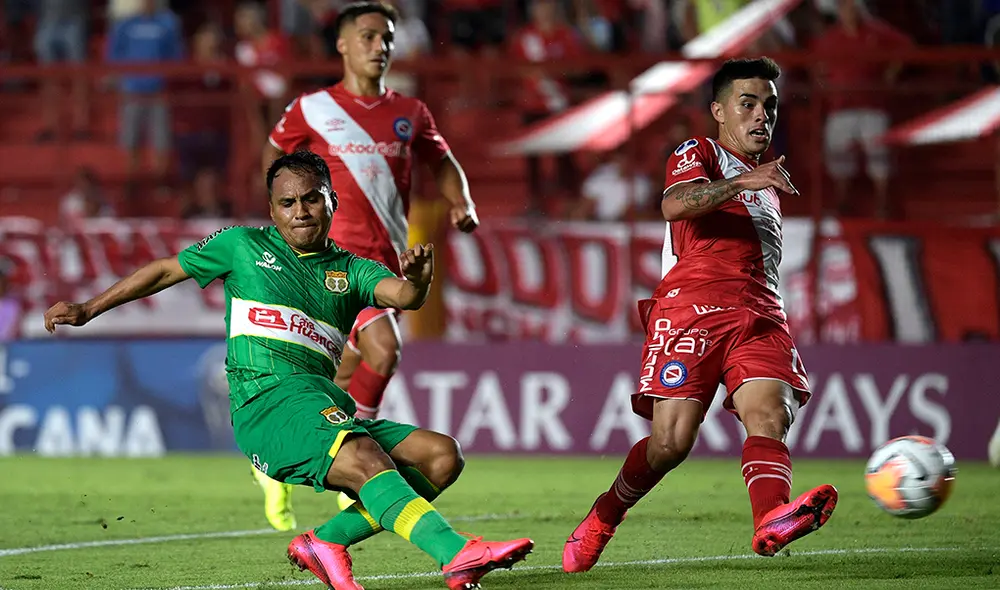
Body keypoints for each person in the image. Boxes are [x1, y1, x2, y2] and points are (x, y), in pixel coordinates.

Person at [42, 151, 533, 590]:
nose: (300, 211)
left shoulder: (353, 270)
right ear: (272, 209)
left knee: (442, 457)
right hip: (266, 404)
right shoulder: (241, 246)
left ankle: (324, 542)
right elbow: (166, 270)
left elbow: (404, 296)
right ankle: (455, 554)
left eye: (312, 199)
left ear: (332, 202)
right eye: (288, 202)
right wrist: (89, 307)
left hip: (319, 405)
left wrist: (420, 282)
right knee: (365, 460)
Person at [561, 57, 838, 573]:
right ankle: (605, 514)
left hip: (759, 312)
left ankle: (771, 518)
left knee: (771, 414)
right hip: (693, 309)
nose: (762, 116)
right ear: (718, 110)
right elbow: (676, 205)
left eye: (770, 106)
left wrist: (758, 183)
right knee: (671, 442)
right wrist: (743, 182)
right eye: (748, 103)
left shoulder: (768, 181)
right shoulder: (700, 151)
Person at [260, 1, 480, 532]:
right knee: (385, 350)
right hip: (333, 261)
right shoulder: (311, 109)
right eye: (367, 36)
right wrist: (281, 227)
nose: (378, 46)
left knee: (342, 369)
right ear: (341, 44)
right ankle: (356, 463)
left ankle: (275, 468)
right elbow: (271, 162)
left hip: (387, 261)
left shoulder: (411, 112)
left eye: (386, 37)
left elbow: (442, 162)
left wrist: (462, 201)